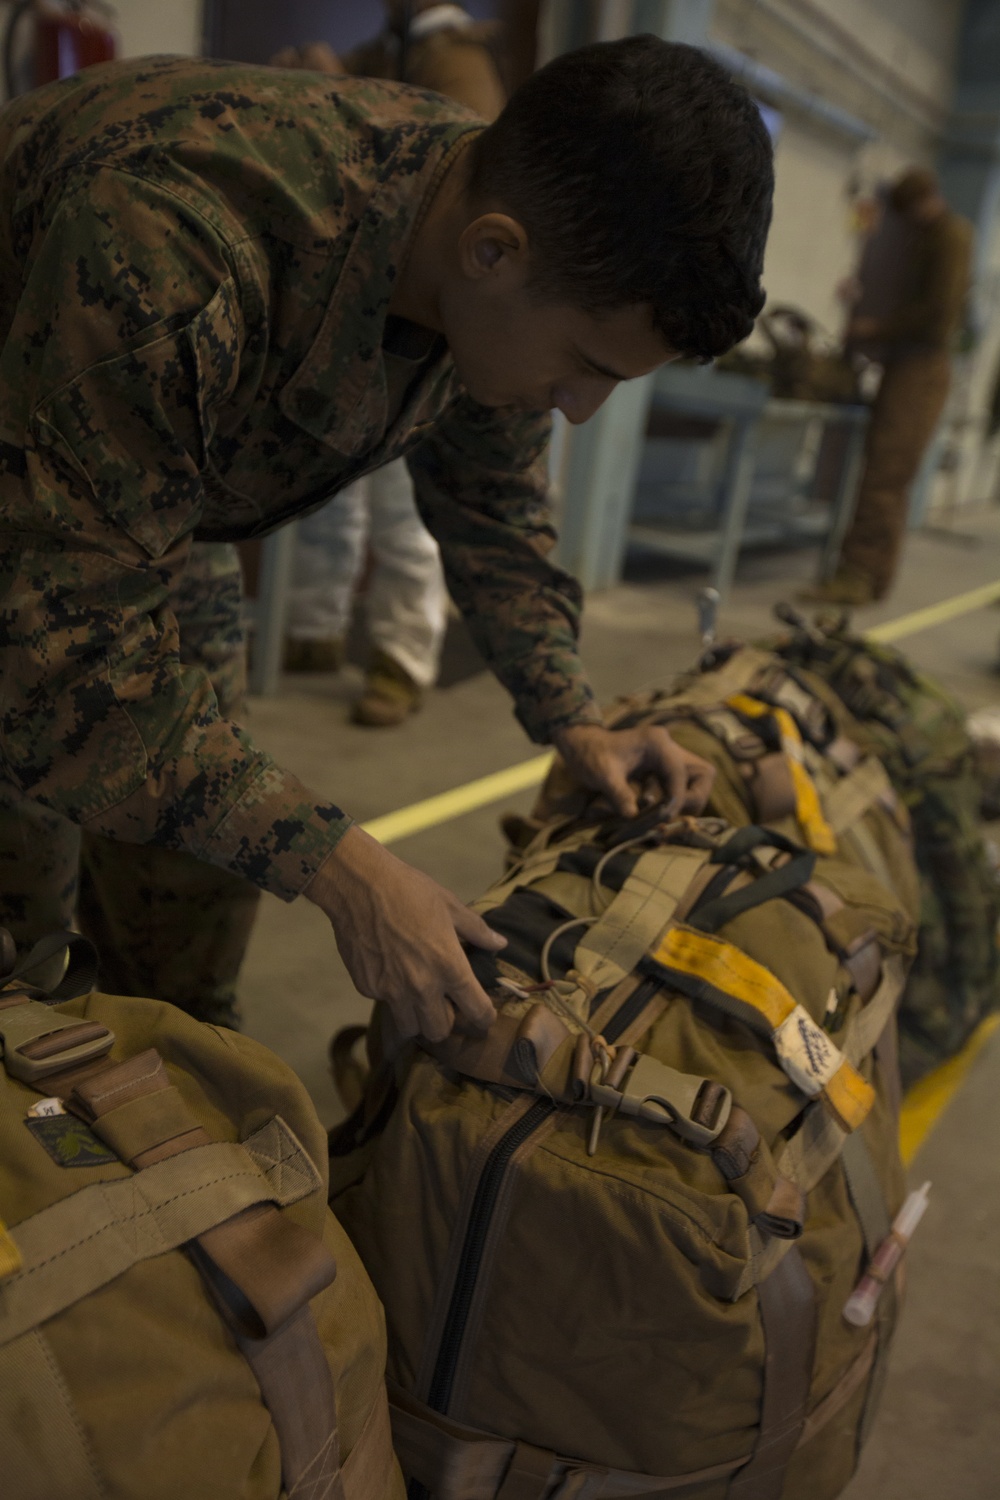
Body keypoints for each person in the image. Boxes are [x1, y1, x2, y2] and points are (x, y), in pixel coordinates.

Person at [0, 37, 773, 1042]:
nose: (578, 411)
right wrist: (346, 871)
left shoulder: (495, 249)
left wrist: (572, 713)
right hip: (27, 514)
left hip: (145, 511)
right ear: (492, 250)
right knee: (23, 943)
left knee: (187, 910)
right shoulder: (173, 245)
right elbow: (60, 662)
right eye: (585, 365)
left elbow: (493, 503)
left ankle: (175, 1070)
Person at [278, 3, 508, 727]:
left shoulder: (456, 58)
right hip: (352, 316)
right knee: (327, 494)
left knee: (406, 512)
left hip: (415, 328)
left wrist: (337, 85)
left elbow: (459, 185)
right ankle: (314, 629)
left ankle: (402, 658)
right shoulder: (390, 47)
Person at [803, 167, 973, 606]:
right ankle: (865, 575)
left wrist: (876, 327)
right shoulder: (930, 237)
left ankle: (860, 576)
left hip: (921, 367)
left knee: (885, 476)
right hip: (907, 365)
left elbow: (937, 313)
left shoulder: (949, 237)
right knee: (881, 472)